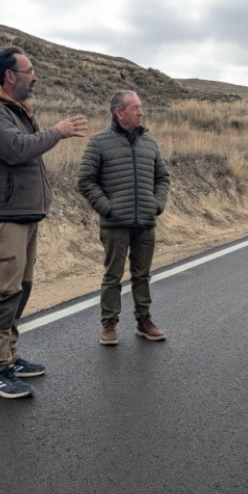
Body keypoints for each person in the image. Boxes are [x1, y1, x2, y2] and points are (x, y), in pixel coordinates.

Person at [0, 47, 88, 399]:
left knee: (21, 288)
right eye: (29, 70)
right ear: (10, 76)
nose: (34, 76)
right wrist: (58, 131)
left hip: (24, 214)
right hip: (3, 216)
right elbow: (17, 149)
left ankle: (9, 357)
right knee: (3, 292)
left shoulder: (14, 110)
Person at [77, 90, 171, 346]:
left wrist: (157, 204)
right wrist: (107, 208)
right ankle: (109, 324)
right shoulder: (99, 142)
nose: (141, 112)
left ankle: (144, 321)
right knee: (113, 276)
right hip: (115, 224)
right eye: (135, 108)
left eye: (141, 107)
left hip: (145, 222)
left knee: (142, 275)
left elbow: (162, 177)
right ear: (120, 112)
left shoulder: (149, 142)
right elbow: (85, 181)